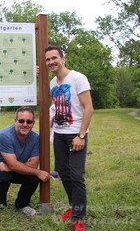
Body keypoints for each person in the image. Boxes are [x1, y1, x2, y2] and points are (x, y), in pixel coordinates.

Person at [45, 45, 93, 231]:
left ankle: (78, 218)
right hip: (59, 133)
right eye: (48, 60)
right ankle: (73, 206)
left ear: (63, 58)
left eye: (54, 58)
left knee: (76, 175)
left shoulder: (78, 78)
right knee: (64, 173)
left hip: (75, 133)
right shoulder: (52, 83)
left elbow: (88, 107)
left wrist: (81, 135)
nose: (51, 62)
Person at [0, 106, 50, 216]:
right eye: (21, 120)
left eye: (29, 121)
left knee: (33, 178)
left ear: (33, 123)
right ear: (15, 121)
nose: (25, 124)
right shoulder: (4, 136)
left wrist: (10, 167)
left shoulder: (36, 138)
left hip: (11, 169)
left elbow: (33, 164)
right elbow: (17, 165)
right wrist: (39, 172)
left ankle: (22, 204)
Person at [49, 104, 60, 180]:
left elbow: (50, 121)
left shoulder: (54, 107)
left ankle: (57, 171)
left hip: (58, 134)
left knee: (59, 154)